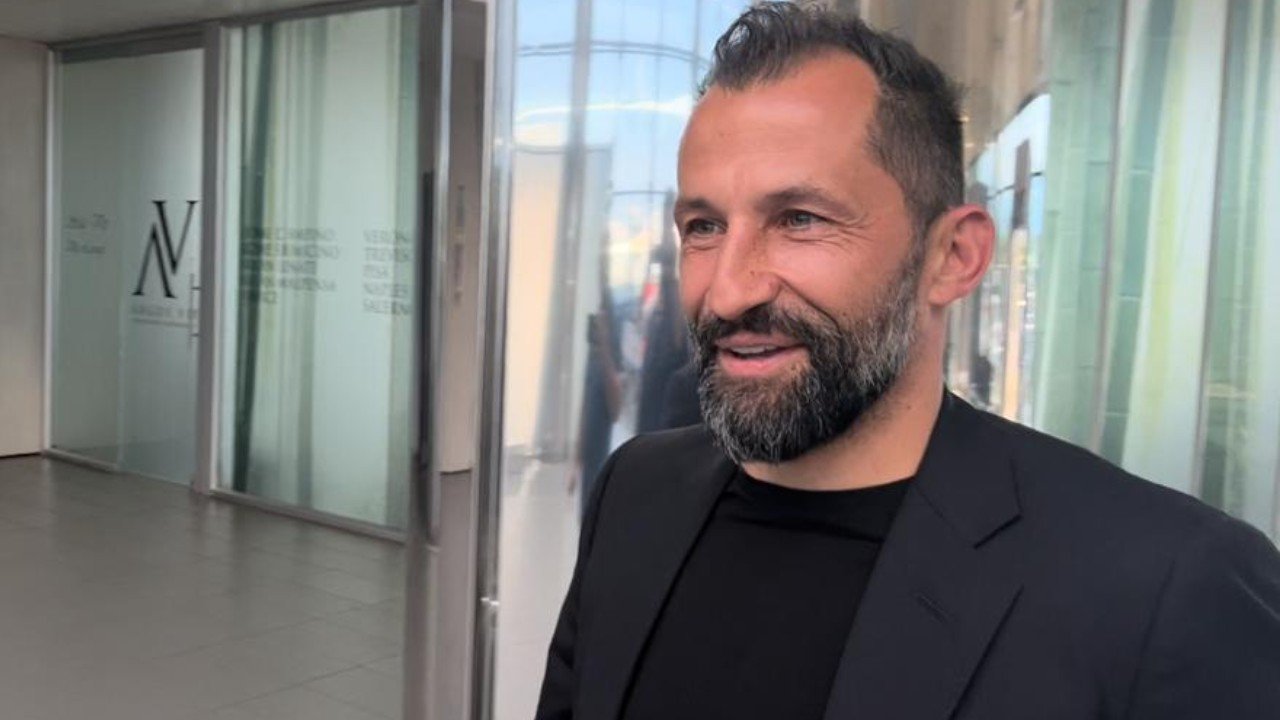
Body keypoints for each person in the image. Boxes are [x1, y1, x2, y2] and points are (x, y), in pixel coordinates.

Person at [535, 4, 1280, 719]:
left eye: (800, 220)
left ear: (952, 257)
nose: (727, 292)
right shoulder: (636, 495)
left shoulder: (1160, 586)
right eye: (703, 226)